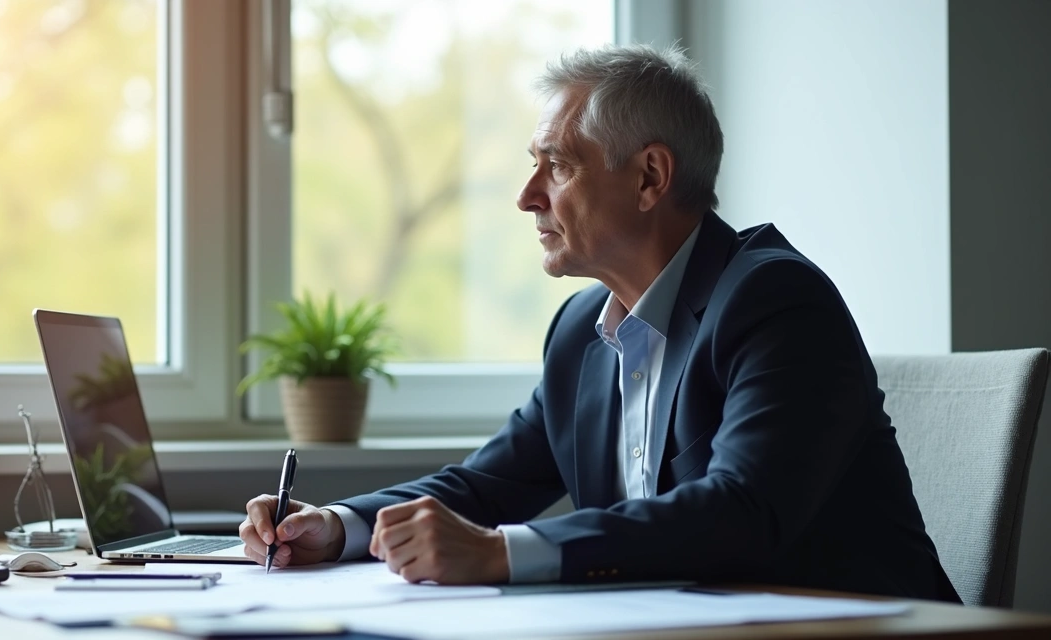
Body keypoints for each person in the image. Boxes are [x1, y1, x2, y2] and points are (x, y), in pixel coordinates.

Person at [239, 43, 961, 602]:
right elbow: (486, 486)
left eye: (557, 165)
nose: (527, 196)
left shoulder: (775, 299)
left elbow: (742, 512)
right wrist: (335, 527)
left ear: (650, 177)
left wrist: (500, 553)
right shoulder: (582, 331)